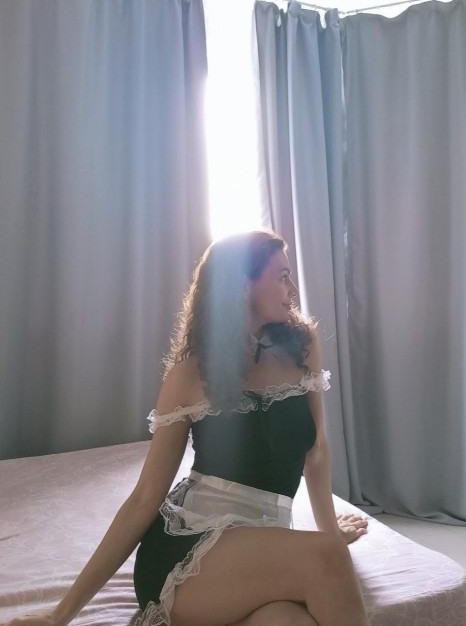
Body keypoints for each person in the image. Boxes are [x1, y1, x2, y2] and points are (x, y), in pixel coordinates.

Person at [4, 230, 369, 626]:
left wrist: (329, 528)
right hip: (189, 550)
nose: (293, 289)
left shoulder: (301, 344)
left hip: (260, 540)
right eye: (282, 277)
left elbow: (316, 450)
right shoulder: (191, 373)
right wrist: (60, 614)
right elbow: (144, 498)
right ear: (242, 285)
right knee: (328, 556)